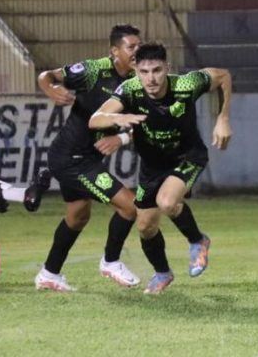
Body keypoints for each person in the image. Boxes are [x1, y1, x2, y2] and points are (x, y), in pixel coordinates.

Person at [89, 42, 233, 294]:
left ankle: (198, 240)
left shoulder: (186, 85)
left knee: (167, 202)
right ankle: (163, 272)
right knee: (145, 227)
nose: (151, 78)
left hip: (187, 157)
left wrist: (223, 118)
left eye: (157, 70)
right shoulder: (130, 90)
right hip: (152, 165)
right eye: (144, 72)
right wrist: (117, 118)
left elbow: (223, 76)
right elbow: (95, 119)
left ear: (167, 67)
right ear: (135, 70)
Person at [33, 24, 143, 292]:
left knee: (77, 216)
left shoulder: (137, 83)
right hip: (70, 158)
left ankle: (49, 273)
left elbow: (146, 125)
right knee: (130, 206)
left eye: (139, 46)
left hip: (86, 159)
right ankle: (111, 261)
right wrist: (50, 89)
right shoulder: (93, 71)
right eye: (131, 47)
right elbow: (47, 75)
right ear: (114, 51)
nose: (137, 51)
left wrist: (122, 139)